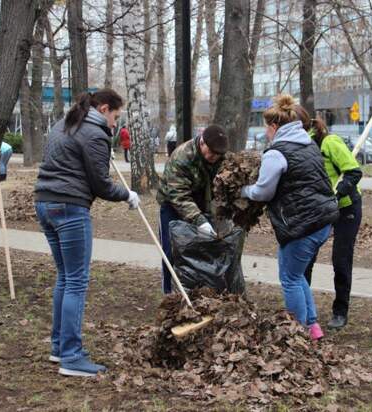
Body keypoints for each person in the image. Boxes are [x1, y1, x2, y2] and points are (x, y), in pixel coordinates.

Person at [34, 89, 140, 377]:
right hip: (69, 209)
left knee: (65, 278)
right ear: (104, 109)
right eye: (115, 117)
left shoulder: (65, 123)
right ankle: (72, 357)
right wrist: (127, 194)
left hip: (45, 204)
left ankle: (59, 348)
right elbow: (101, 185)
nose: (115, 124)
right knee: (76, 282)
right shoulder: (95, 134)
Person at [240, 95, 338, 340]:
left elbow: (263, 192)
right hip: (323, 221)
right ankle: (313, 327)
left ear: (274, 127)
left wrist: (243, 191)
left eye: (266, 127)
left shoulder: (277, 152)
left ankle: (299, 332)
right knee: (297, 273)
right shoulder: (308, 144)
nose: (266, 132)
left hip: (301, 225)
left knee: (290, 278)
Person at [297, 110, 362, 330]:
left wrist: (337, 194)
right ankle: (303, 309)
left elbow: (354, 172)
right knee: (306, 257)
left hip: (346, 207)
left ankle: (340, 311)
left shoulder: (329, 142)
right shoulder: (300, 147)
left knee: (341, 259)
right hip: (320, 209)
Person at [156, 124, 228, 294]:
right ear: (202, 142)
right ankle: (169, 293)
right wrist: (200, 221)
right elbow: (178, 195)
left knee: (202, 251)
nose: (212, 157)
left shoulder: (221, 158)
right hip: (172, 205)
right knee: (171, 251)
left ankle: (196, 291)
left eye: (217, 155)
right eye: (210, 152)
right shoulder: (182, 156)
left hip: (202, 204)